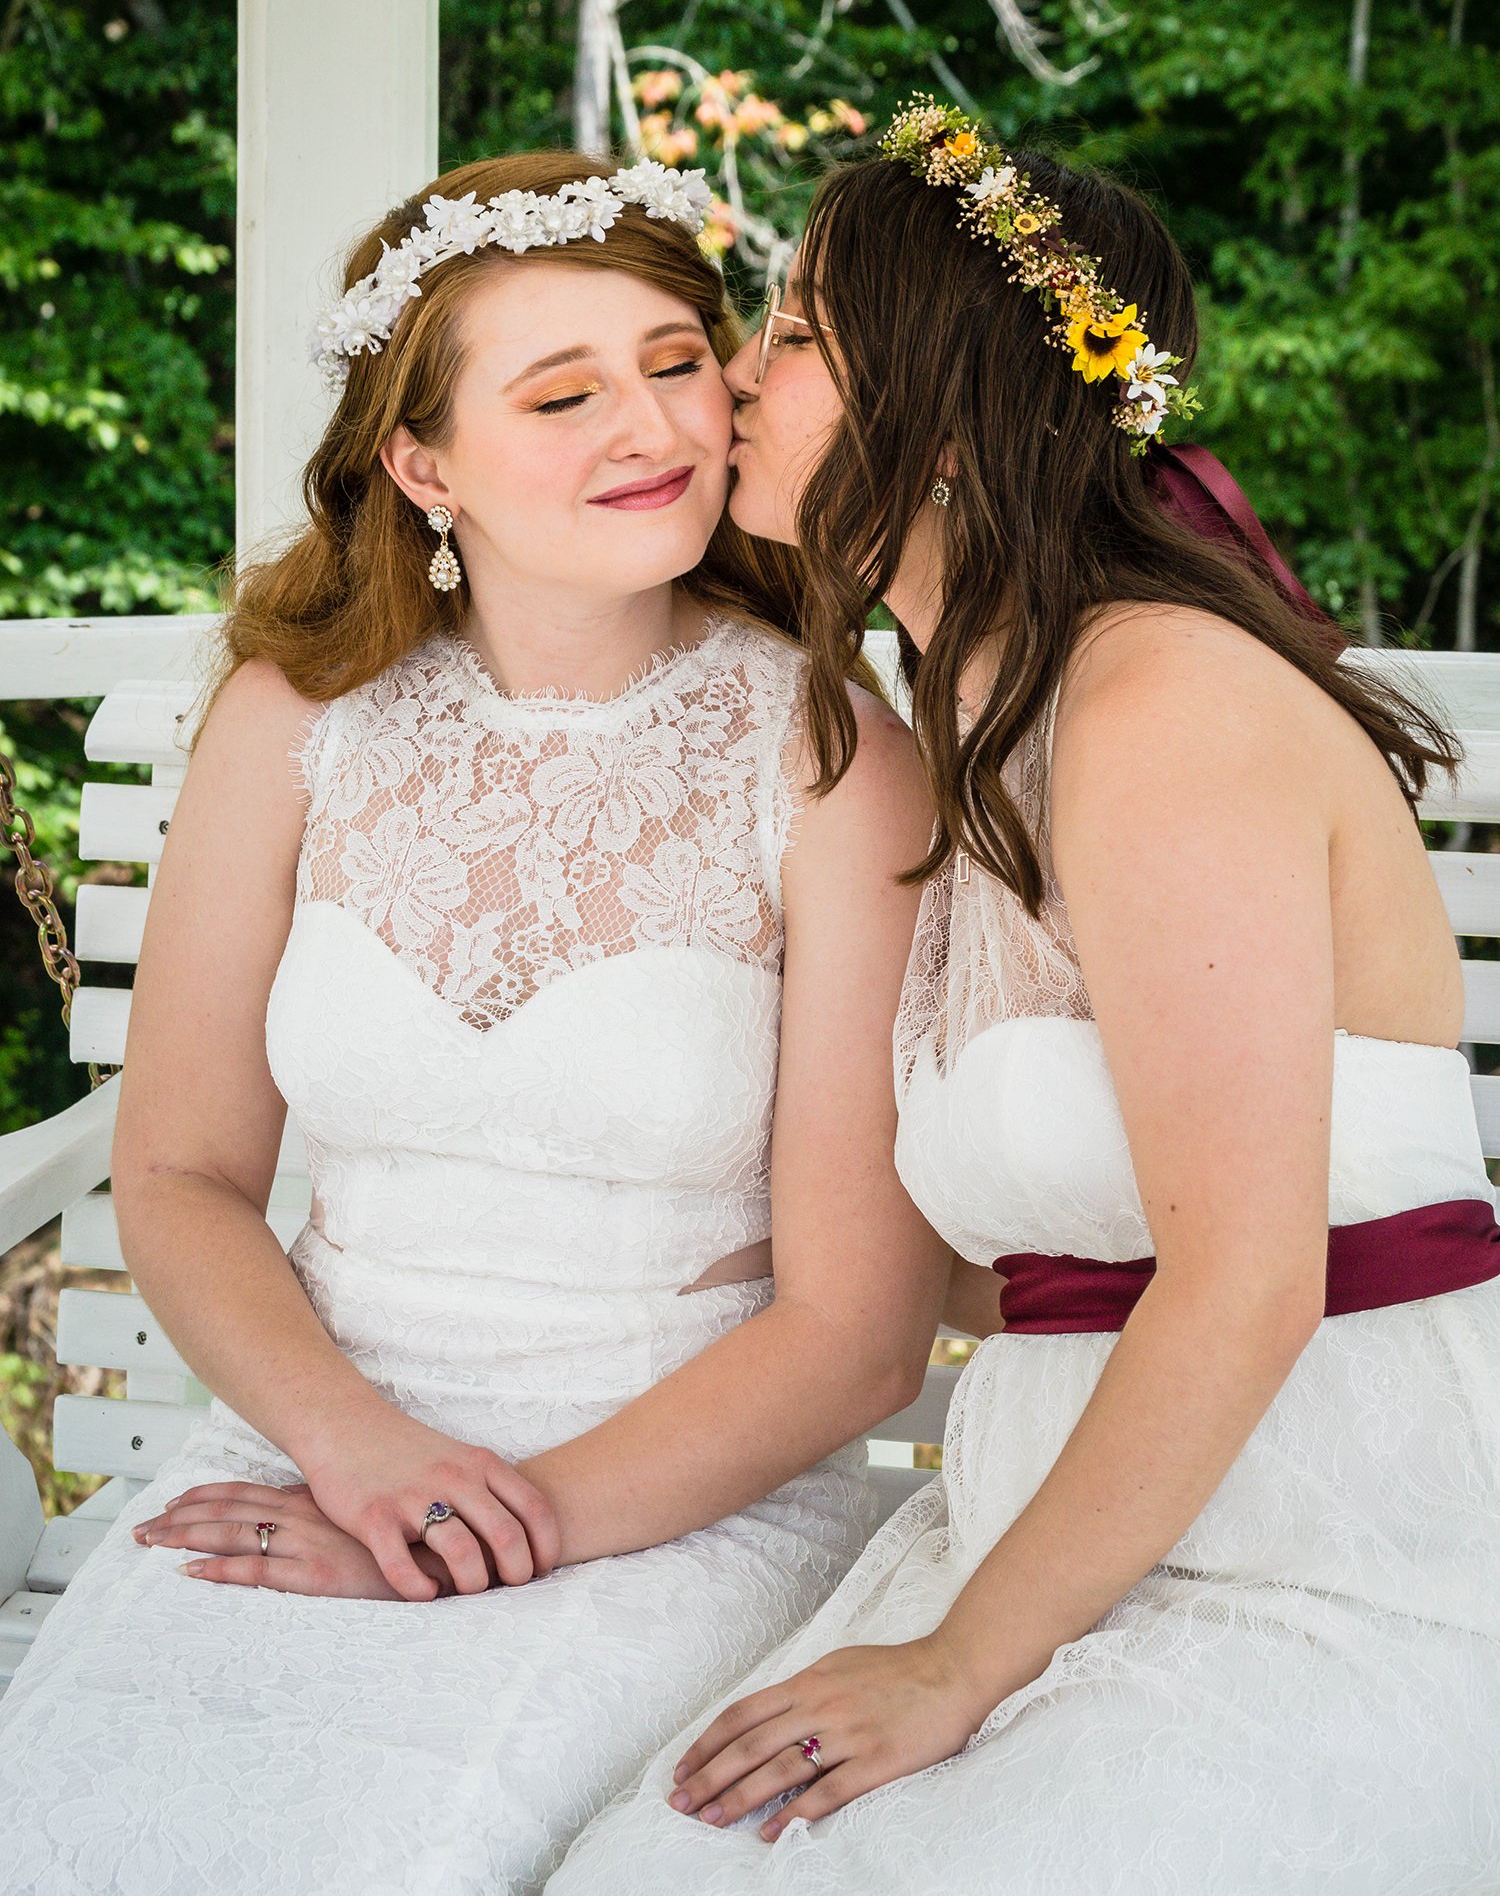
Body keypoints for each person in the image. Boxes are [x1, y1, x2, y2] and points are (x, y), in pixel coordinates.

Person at [546, 101, 1500, 1894]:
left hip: (1324, 1533)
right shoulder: (951, 720)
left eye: (802, 337)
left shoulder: (1157, 711)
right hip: (1056, 1510)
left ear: (954, 411)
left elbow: (1250, 1269)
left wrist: (954, 1668)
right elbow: (1014, 1253)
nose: (738, 380)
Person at [0, 150, 947, 1896]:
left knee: (399, 1851)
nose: (649, 424)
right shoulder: (300, 717)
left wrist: (471, 1532)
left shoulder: (827, 760)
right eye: (564, 391)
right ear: (423, 464)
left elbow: (859, 1332)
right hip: (311, 1441)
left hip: (677, 1494)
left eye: (679, 362)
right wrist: (362, 1459)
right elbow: (188, 1170)